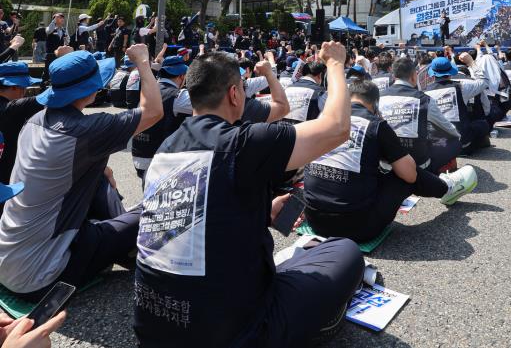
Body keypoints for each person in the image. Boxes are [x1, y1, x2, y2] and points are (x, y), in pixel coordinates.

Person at [133, 42, 364, 348]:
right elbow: (336, 128)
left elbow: (188, 221)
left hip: (152, 328)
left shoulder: (166, 148)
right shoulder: (243, 142)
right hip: (233, 333)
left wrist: (261, 212)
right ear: (234, 94)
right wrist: (335, 64)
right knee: (344, 253)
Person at [0, 44, 163, 296]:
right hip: (41, 277)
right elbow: (153, 111)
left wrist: (103, 170)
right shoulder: (87, 131)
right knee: (155, 207)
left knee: (100, 177)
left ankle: (119, 244)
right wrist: (143, 62)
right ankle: (127, 249)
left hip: (9, 260)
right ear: (94, 89)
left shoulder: (34, 121)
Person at [303, 79, 478, 242]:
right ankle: (447, 188)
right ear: (375, 103)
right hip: (358, 228)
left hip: (315, 221)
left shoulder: (323, 120)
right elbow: (409, 175)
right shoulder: (376, 125)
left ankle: (445, 187)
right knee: (404, 172)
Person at [380, 55, 461, 173]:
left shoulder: (379, 97)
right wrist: (457, 135)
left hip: (386, 164)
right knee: (455, 143)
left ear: (394, 76)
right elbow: (446, 127)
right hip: (419, 165)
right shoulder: (424, 99)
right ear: (414, 76)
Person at [131, 56, 188, 184]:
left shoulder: (147, 92)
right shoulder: (178, 96)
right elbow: (207, 105)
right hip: (160, 160)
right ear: (181, 76)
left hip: (139, 155)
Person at [424, 57, 491, 153]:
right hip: (462, 141)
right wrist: (471, 63)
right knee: (483, 124)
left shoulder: (425, 92)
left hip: (438, 142)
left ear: (433, 73)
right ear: (450, 71)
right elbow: (484, 81)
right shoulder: (462, 86)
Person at [0, 60, 43, 184]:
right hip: (8, 179)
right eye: (24, 87)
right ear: (15, 86)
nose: (24, 92)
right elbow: (57, 95)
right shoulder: (13, 108)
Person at [44, 13, 68, 82]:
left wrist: (66, 41)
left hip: (60, 55)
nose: (62, 19)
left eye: (62, 18)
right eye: (60, 17)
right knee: (47, 71)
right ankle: (43, 86)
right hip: (51, 54)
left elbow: (67, 41)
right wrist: (54, 21)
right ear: (55, 19)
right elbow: (48, 31)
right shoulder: (49, 28)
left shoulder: (64, 30)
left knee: (59, 71)